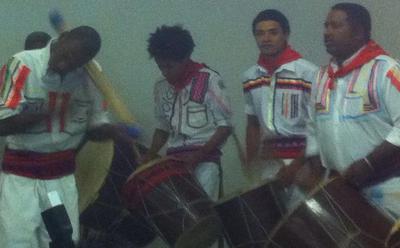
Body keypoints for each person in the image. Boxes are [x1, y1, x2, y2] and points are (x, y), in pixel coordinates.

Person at [0, 26, 133, 247]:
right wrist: (45, 113)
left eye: (73, 64)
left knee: (62, 240)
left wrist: (111, 132)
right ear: (61, 39)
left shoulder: (92, 75)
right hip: (21, 180)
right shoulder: (22, 64)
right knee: (17, 242)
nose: (64, 65)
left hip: (59, 180)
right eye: (64, 56)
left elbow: (93, 128)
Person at [303, 2, 400, 218]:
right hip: (343, 190)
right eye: (326, 26)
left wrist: (367, 164)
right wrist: (317, 175)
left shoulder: (385, 70)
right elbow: (312, 128)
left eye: (336, 26)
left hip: (390, 188)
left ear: (358, 32)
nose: (327, 32)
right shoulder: (320, 77)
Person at [143, 25, 232, 202]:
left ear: (185, 59)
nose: (165, 72)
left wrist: (198, 156)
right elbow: (162, 127)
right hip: (173, 164)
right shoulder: (160, 86)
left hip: (204, 162)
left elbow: (225, 127)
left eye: (170, 66)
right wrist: (151, 155)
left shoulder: (208, 79)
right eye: (161, 67)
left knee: (204, 218)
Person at [243, 9, 318, 185]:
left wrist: (295, 167)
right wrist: (251, 159)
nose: (266, 39)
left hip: (304, 162)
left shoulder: (308, 73)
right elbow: (252, 123)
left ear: (286, 34)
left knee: (301, 212)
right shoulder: (250, 76)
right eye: (260, 33)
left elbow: (318, 127)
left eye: (273, 32)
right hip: (268, 161)